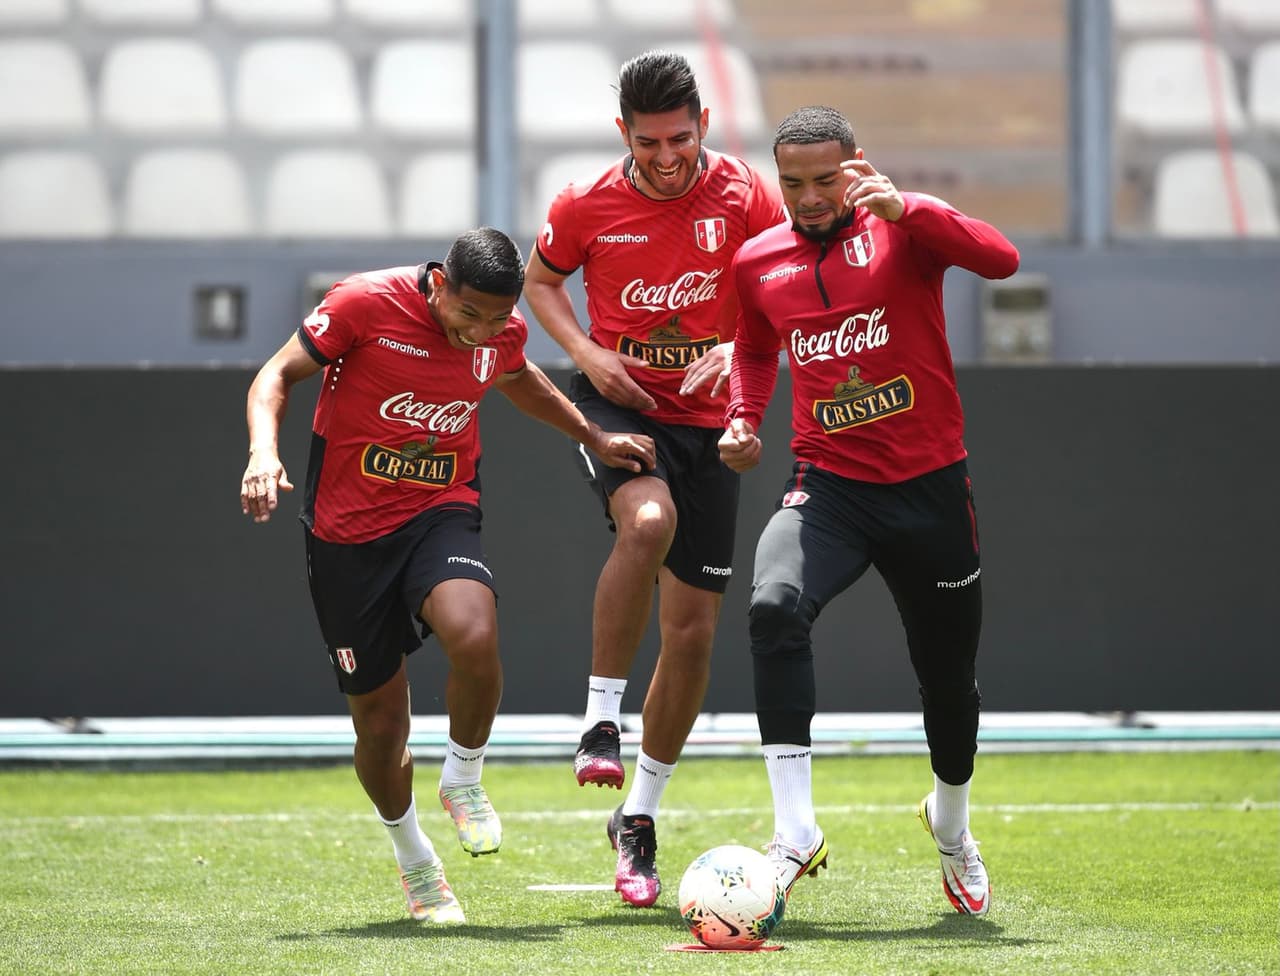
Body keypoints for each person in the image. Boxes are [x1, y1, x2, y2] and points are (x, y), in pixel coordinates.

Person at [240, 227, 655, 924]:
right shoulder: (362, 305)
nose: (481, 333)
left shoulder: (500, 333)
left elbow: (522, 381)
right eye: (469, 315)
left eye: (497, 320)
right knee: (380, 725)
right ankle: (415, 860)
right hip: (346, 536)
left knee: (474, 631)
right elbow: (275, 376)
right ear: (439, 284)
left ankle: (463, 779)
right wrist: (261, 453)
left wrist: (595, 436)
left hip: (441, 507)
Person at [719, 106, 1020, 917]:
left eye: (825, 179)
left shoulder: (903, 228)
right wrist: (744, 419)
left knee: (948, 680)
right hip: (829, 487)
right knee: (774, 606)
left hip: (929, 489)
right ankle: (793, 833)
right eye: (792, 183)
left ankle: (952, 827)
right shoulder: (757, 260)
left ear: (857, 165)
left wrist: (907, 208)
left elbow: (1001, 259)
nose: (810, 198)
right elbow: (752, 348)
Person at [522, 50, 787, 907]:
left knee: (695, 635)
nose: (665, 157)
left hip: (711, 420)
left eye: (679, 138)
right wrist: (587, 353)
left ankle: (636, 817)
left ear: (704, 124)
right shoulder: (584, 203)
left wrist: (733, 346)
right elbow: (540, 283)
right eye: (647, 143)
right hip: (622, 405)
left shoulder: (748, 194)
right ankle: (600, 713)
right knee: (645, 524)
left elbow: (788, 284)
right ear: (622, 134)